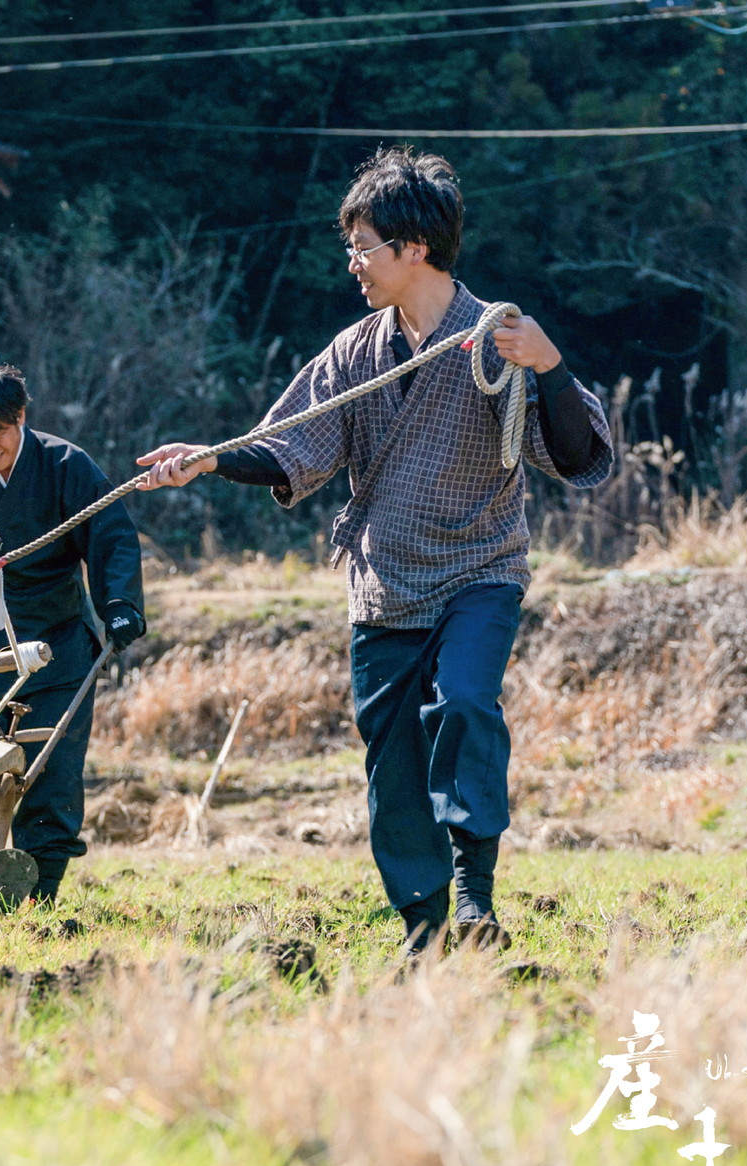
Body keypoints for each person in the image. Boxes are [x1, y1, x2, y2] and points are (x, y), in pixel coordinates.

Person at [136, 148, 612, 954]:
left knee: (464, 704)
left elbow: (575, 455)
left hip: (479, 571)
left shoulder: (499, 338)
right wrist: (212, 457)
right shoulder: (355, 351)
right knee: (391, 763)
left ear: (413, 248)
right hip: (384, 584)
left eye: (363, 246)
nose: (352, 263)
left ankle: (473, 896)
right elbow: (291, 445)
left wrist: (553, 366)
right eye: (350, 246)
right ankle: (424, 922)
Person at [0, 365, 146, 908]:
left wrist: (119, 605)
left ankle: (41, 889)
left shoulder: (64, 465)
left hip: (56, 645)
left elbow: (112, 535)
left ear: (22, 418)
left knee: (50, 773)